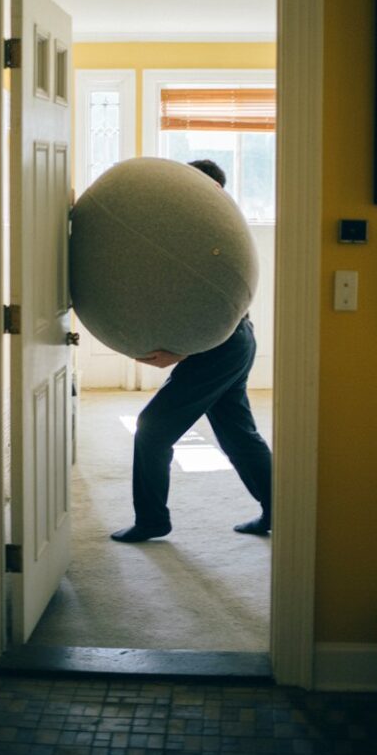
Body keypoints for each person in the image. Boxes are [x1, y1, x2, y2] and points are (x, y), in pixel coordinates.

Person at [111, 159, 272, 544]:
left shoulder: (218, 233)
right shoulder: (193, 230)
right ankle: (278, 508)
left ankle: (152, 521)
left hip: (222, 345)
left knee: (151, 430)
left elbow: (218, 312)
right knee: (238, 435)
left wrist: (181, 351)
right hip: (229, 345)